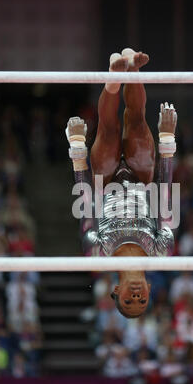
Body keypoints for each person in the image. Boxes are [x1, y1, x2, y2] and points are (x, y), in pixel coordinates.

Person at [65, 48, 178, 318]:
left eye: (129, 302)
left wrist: (78, 148)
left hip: (105, 184)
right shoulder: (162, 252)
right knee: (137, 124)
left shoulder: (97, 253)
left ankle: (114, 78)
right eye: (142, 301)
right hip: (142, 179)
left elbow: (86, 208)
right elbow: (165, 202)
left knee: (108, 129)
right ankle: (133, 68)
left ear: (116, 290)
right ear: (150, 289)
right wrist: (166, 142)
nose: (137, 297)